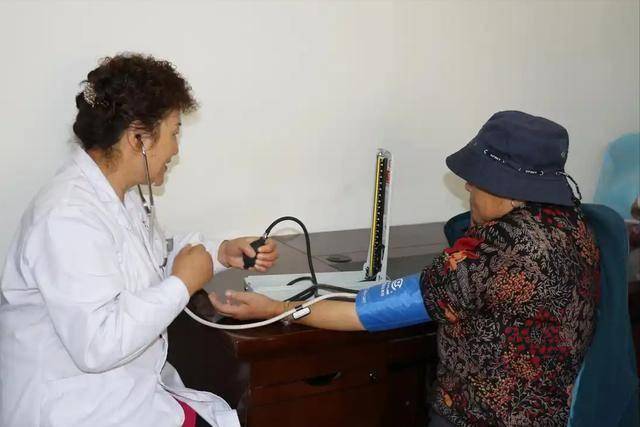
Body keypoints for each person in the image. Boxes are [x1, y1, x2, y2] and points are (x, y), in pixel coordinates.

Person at [210, 111, 600, 426]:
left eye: (477, 181)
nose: (468, 188)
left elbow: (368, 312)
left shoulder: (490, 256)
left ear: (508, 190)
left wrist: (277, 308)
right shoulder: (575, 226)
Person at [0, 53, 278, 427]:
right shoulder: (66, 217)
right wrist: (182, 284)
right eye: (174, 132)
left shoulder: (120, 196)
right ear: (138, 138)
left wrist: (218, 253)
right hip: (75, 409)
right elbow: (98, 345)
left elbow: (148, 261)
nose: (176, 149)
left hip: (122, 393)